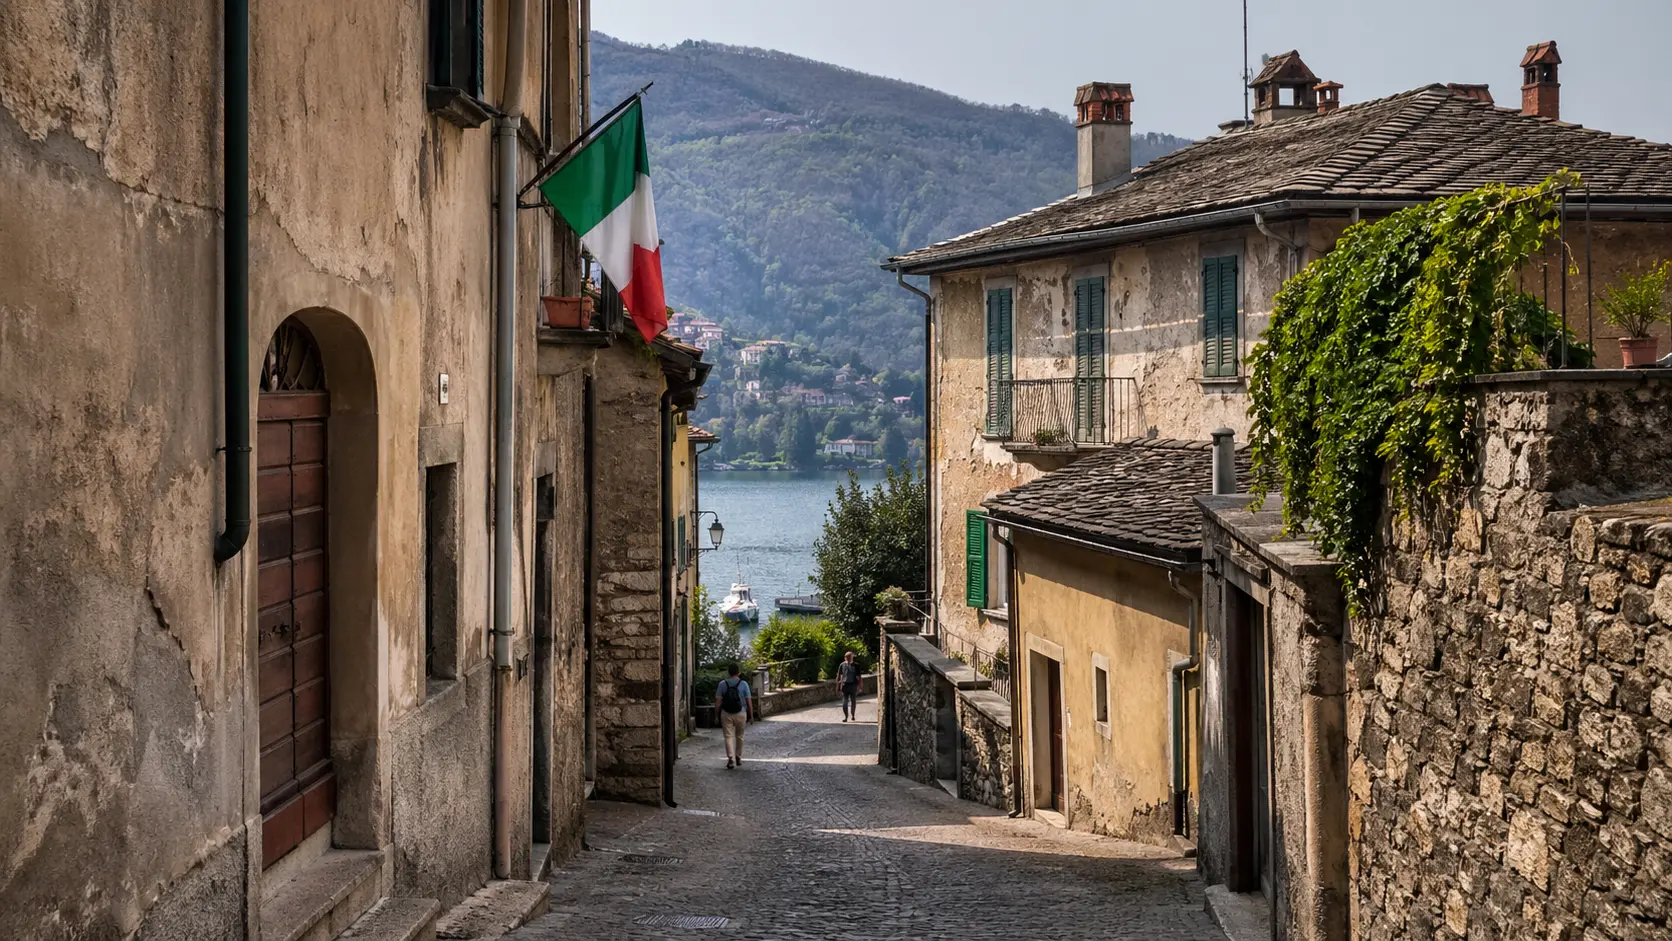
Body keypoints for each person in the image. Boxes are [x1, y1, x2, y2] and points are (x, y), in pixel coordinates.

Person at [715, 664, 751, 769]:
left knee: (728, 736)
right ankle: (738, 756)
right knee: (739, 736)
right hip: (741, 713)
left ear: (728, 672)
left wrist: (716, 715)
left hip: (726, 713)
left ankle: (730, 758)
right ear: (738, 672)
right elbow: (749, 701)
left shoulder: (722, 684)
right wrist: (751, 715)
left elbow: (718, 701)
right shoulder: (744, 684)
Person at [836, 650, 862, 722]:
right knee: (848, 701)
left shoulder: (854, 665)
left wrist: (860, 686)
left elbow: (859, 677)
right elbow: (839, 676)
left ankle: (849, 716)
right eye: (848, 657)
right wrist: (860, 686)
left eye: (848, 657)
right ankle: (849, 716)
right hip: (847, 685)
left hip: (850, 685)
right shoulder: (844, 665)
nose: (848, 659)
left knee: (849, 700)